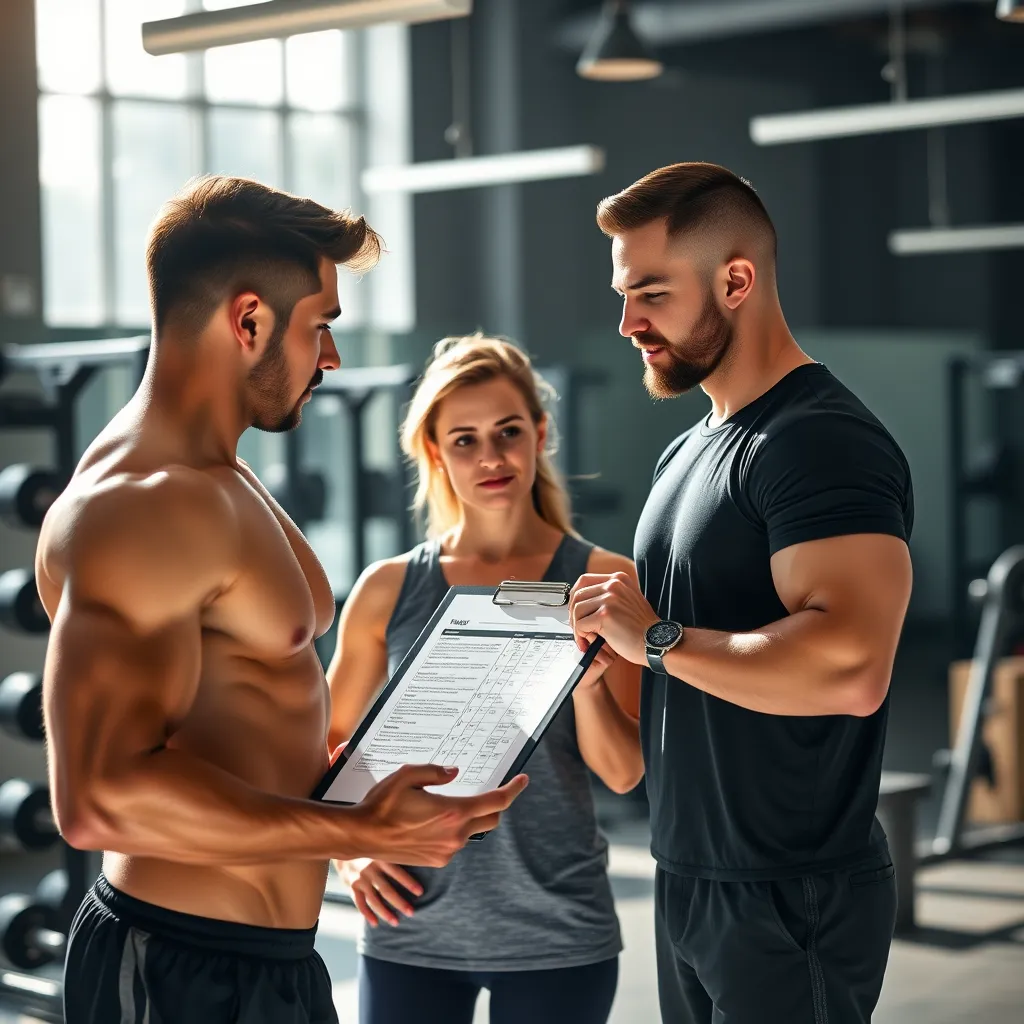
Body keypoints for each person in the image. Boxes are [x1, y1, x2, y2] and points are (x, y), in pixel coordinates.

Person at [35, 176, 527, 1024]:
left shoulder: (226, 475)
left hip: (274, 963)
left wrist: (377, 792)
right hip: (178, 965)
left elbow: (241, 724)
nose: (330, 359)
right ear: (250, 319)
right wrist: (362, 835)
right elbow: (98, 798)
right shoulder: (142, 503)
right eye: (322, 327)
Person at [567, 162, 915, 1024]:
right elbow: (682, 656)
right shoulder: (687, 451)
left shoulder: (819, 442)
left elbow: (850, 667)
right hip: (689, 877)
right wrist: (604, 643)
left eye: (650, 293)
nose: (627, 322)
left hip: (790, 891)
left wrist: (651, 636)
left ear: (735, 280)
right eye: (622, 294)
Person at [326, 334, 645, 1024]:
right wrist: (348, 855)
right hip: (409, 917)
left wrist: (586, 684)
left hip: (557, 924)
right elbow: (321, 747)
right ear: (436, 453)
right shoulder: (387, 589)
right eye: (465, 440)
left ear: (540, 433)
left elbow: (623, 773)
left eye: (507, 432)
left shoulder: (604, 579)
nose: (492, 457)